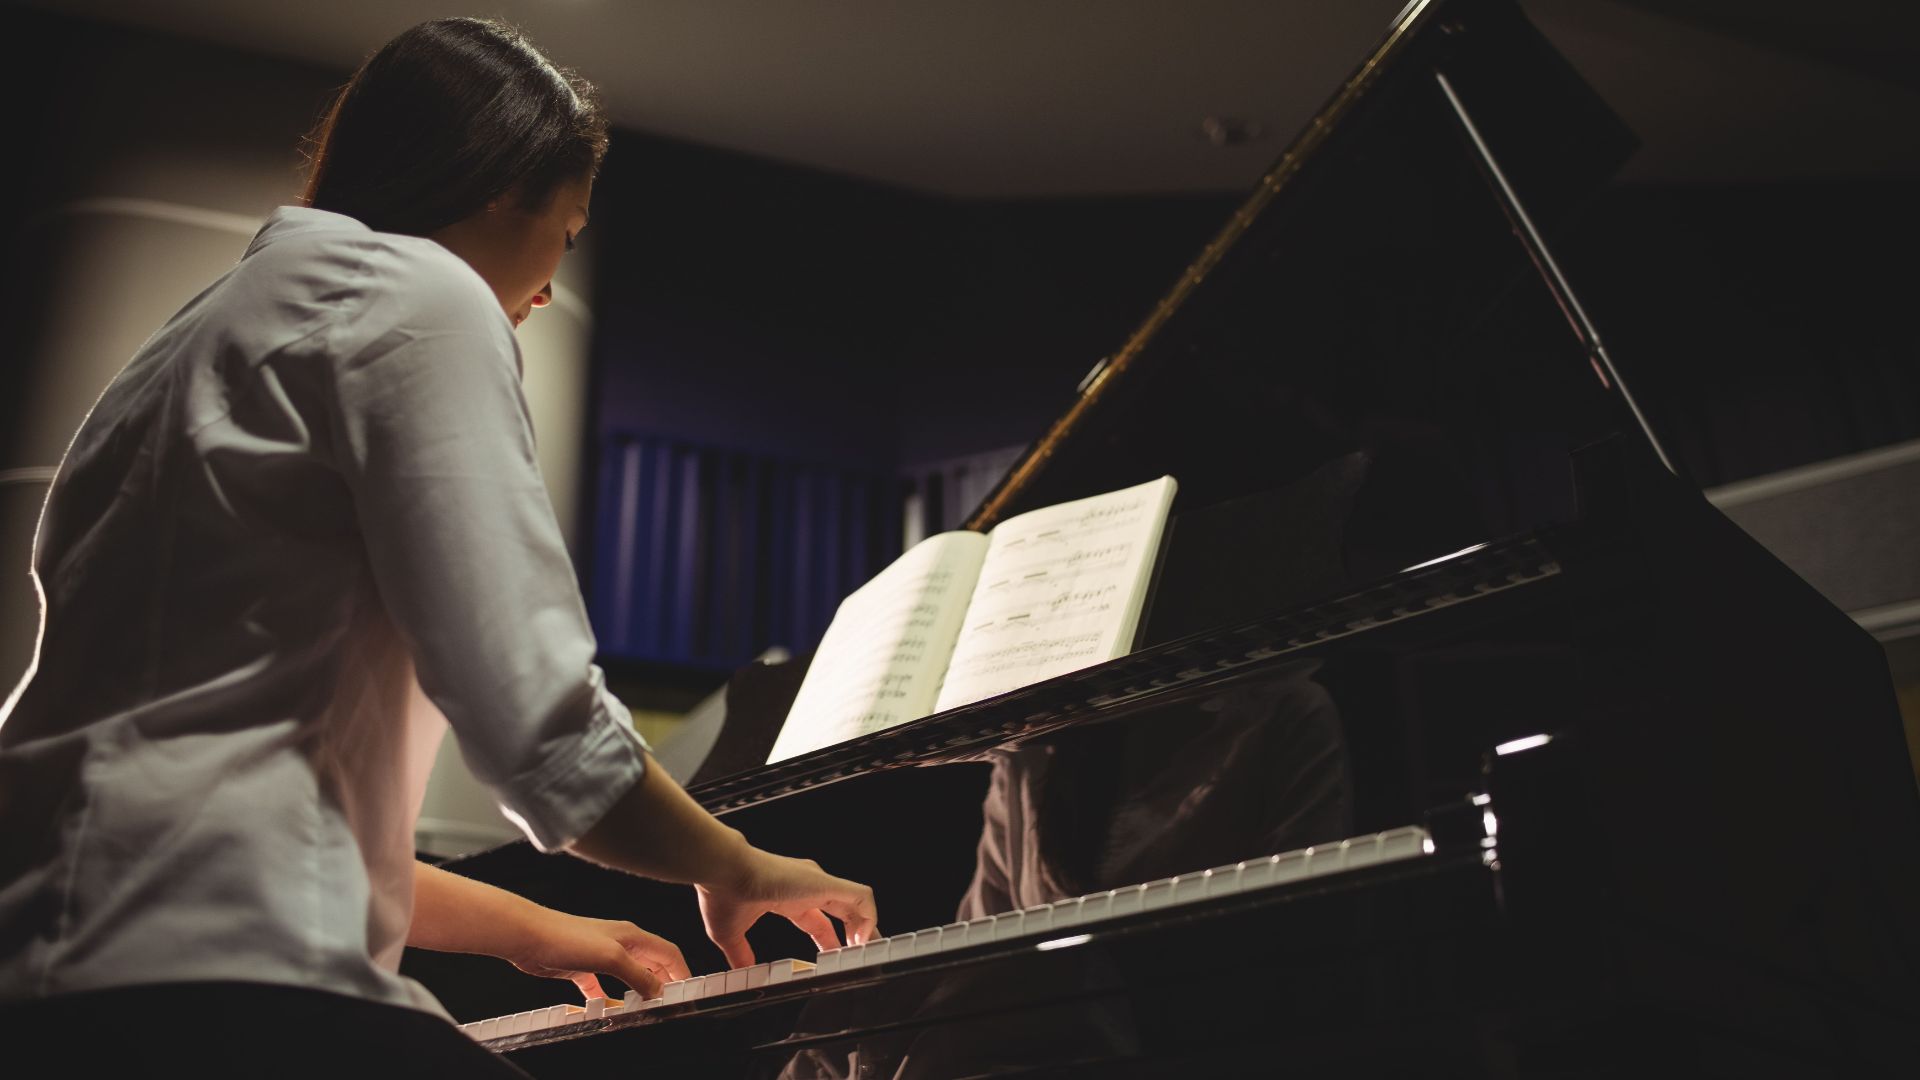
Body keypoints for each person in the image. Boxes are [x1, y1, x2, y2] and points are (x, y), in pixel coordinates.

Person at [0, 17, 874, 1076]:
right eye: (567, 230)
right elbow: (542, 735)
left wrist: (543, 931)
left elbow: (232, 822)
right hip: (210, 995)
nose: (550, 287)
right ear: (504, 194)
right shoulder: (422, 296)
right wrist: (740, 865)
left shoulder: (186, 346)